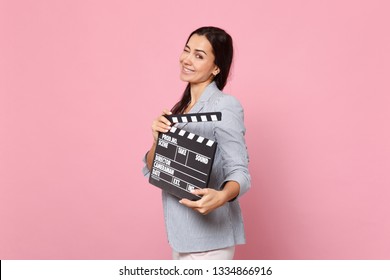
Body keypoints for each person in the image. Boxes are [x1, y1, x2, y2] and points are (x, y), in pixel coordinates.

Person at [142, 26, 250, 260]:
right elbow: (154, 168)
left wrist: (221, 196)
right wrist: (156, 140)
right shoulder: (179, 109)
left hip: (211, 243)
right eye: (187, 50)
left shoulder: (225, 106)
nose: (187, 59)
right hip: (181, 237)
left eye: (199, 56)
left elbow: (240, 172)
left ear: (216, 67)